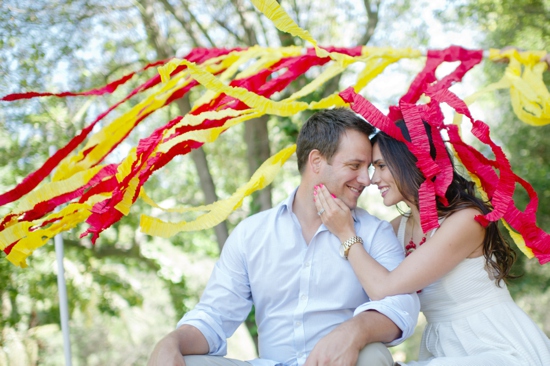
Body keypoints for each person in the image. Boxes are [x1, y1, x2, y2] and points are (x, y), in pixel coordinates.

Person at [147, 108, 420, 366]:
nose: (366, 179)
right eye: (354, 165)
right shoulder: (251, 234)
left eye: (369, 168)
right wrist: (172, 341)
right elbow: (214, 317)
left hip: (339, 363)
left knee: (373, 354)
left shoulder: (375, 232)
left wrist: (355, 330)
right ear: (316, 161)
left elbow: (403, 306)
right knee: (186, 361)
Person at [314, 120, 550, 365]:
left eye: (381, 166)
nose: (373, 179)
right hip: (443, 348)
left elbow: (382, 287)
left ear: (412, 161)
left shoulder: (466, 221)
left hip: (495, 345)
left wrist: (345, 234)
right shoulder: (396, 229)